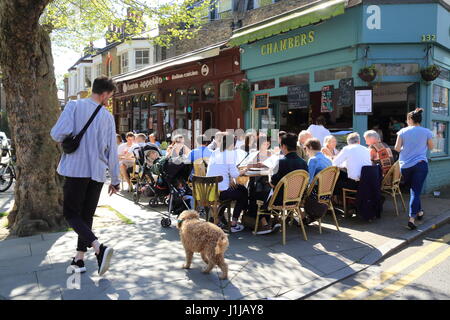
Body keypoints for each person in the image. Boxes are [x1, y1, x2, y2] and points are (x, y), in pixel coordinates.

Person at [50, 76, 119, 276]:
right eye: (110, 96)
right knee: (85, 215)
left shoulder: (74, 106)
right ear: (105, 94)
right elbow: (111, 150)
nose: (109, 99)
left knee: (71, 214)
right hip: (97, 172)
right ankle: (79, 260)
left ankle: (99, 248)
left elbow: (56, 133)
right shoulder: (107, 117)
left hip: (76, 169)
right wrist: (115, 179)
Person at [395, 108, 433, 230]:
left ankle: (420, 212)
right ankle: (411, 218)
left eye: (407, 119)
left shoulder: (402, 131)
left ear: (410, 119)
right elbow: (431, 147)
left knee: (414, 190)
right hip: (420, 164)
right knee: (415, 191)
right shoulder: (426, 131)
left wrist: (406, 150)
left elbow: (397, 148)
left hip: (405, 166)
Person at [206, 132, 248, 233]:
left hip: (209, 190)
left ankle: (218, 217)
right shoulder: (230, 154)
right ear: (232, 144)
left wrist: (229, 178)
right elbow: (235, 174)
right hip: (220, 193)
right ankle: (234, 223)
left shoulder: (215, 152)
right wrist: (244, 170)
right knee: (243, 193)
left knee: (240, 189)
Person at [332, 132, 372, 196]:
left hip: (355, 184)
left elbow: (334, 163)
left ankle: (340, 203)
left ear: (348, 143)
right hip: (367, 181)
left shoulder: (347, 149)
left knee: (335, 182)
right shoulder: (366, 149)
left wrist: (344, 164)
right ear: (359, 141)